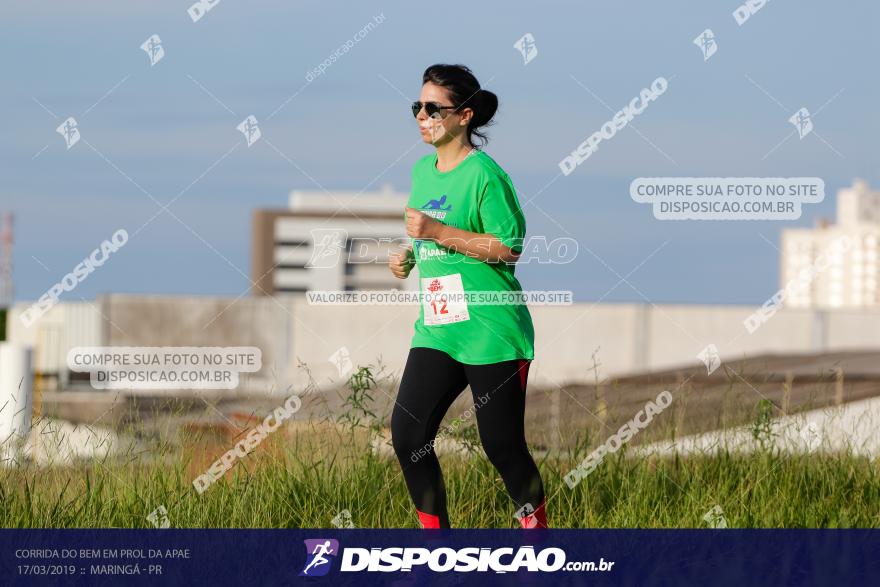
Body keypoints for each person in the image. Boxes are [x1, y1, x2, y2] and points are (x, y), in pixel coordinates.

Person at [388, 63, 546, 529]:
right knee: (408, 434)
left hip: (491, 330)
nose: (422, 115)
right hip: (439, 326)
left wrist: (436, 230)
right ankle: (436, 553)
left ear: (465, 116)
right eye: (417, 106)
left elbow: (508, 247)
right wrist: (410, 256)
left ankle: (538, 545)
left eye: (432, 107)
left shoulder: (485, 175)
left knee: (501, 446)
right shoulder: (422, 170)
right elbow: (433, 239)